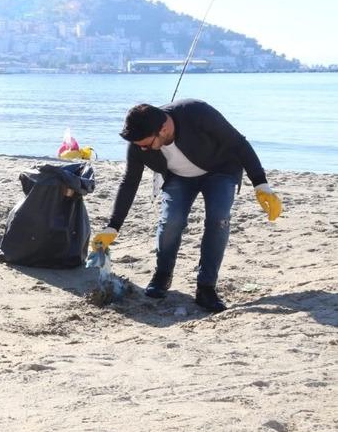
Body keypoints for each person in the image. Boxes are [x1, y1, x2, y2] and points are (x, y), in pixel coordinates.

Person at [91, 99, 283, 312]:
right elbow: (129, 182)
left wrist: (260, 183)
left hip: (221, 170)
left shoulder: (197, 112)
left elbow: (238, 142)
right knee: (171, 220)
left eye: (146, 144)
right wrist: (113, 226)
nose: (142, 150)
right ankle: (162, 275)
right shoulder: (140, 143)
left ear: (163, 129)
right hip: (179, 178)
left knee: (219, 218)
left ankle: (206, 287)